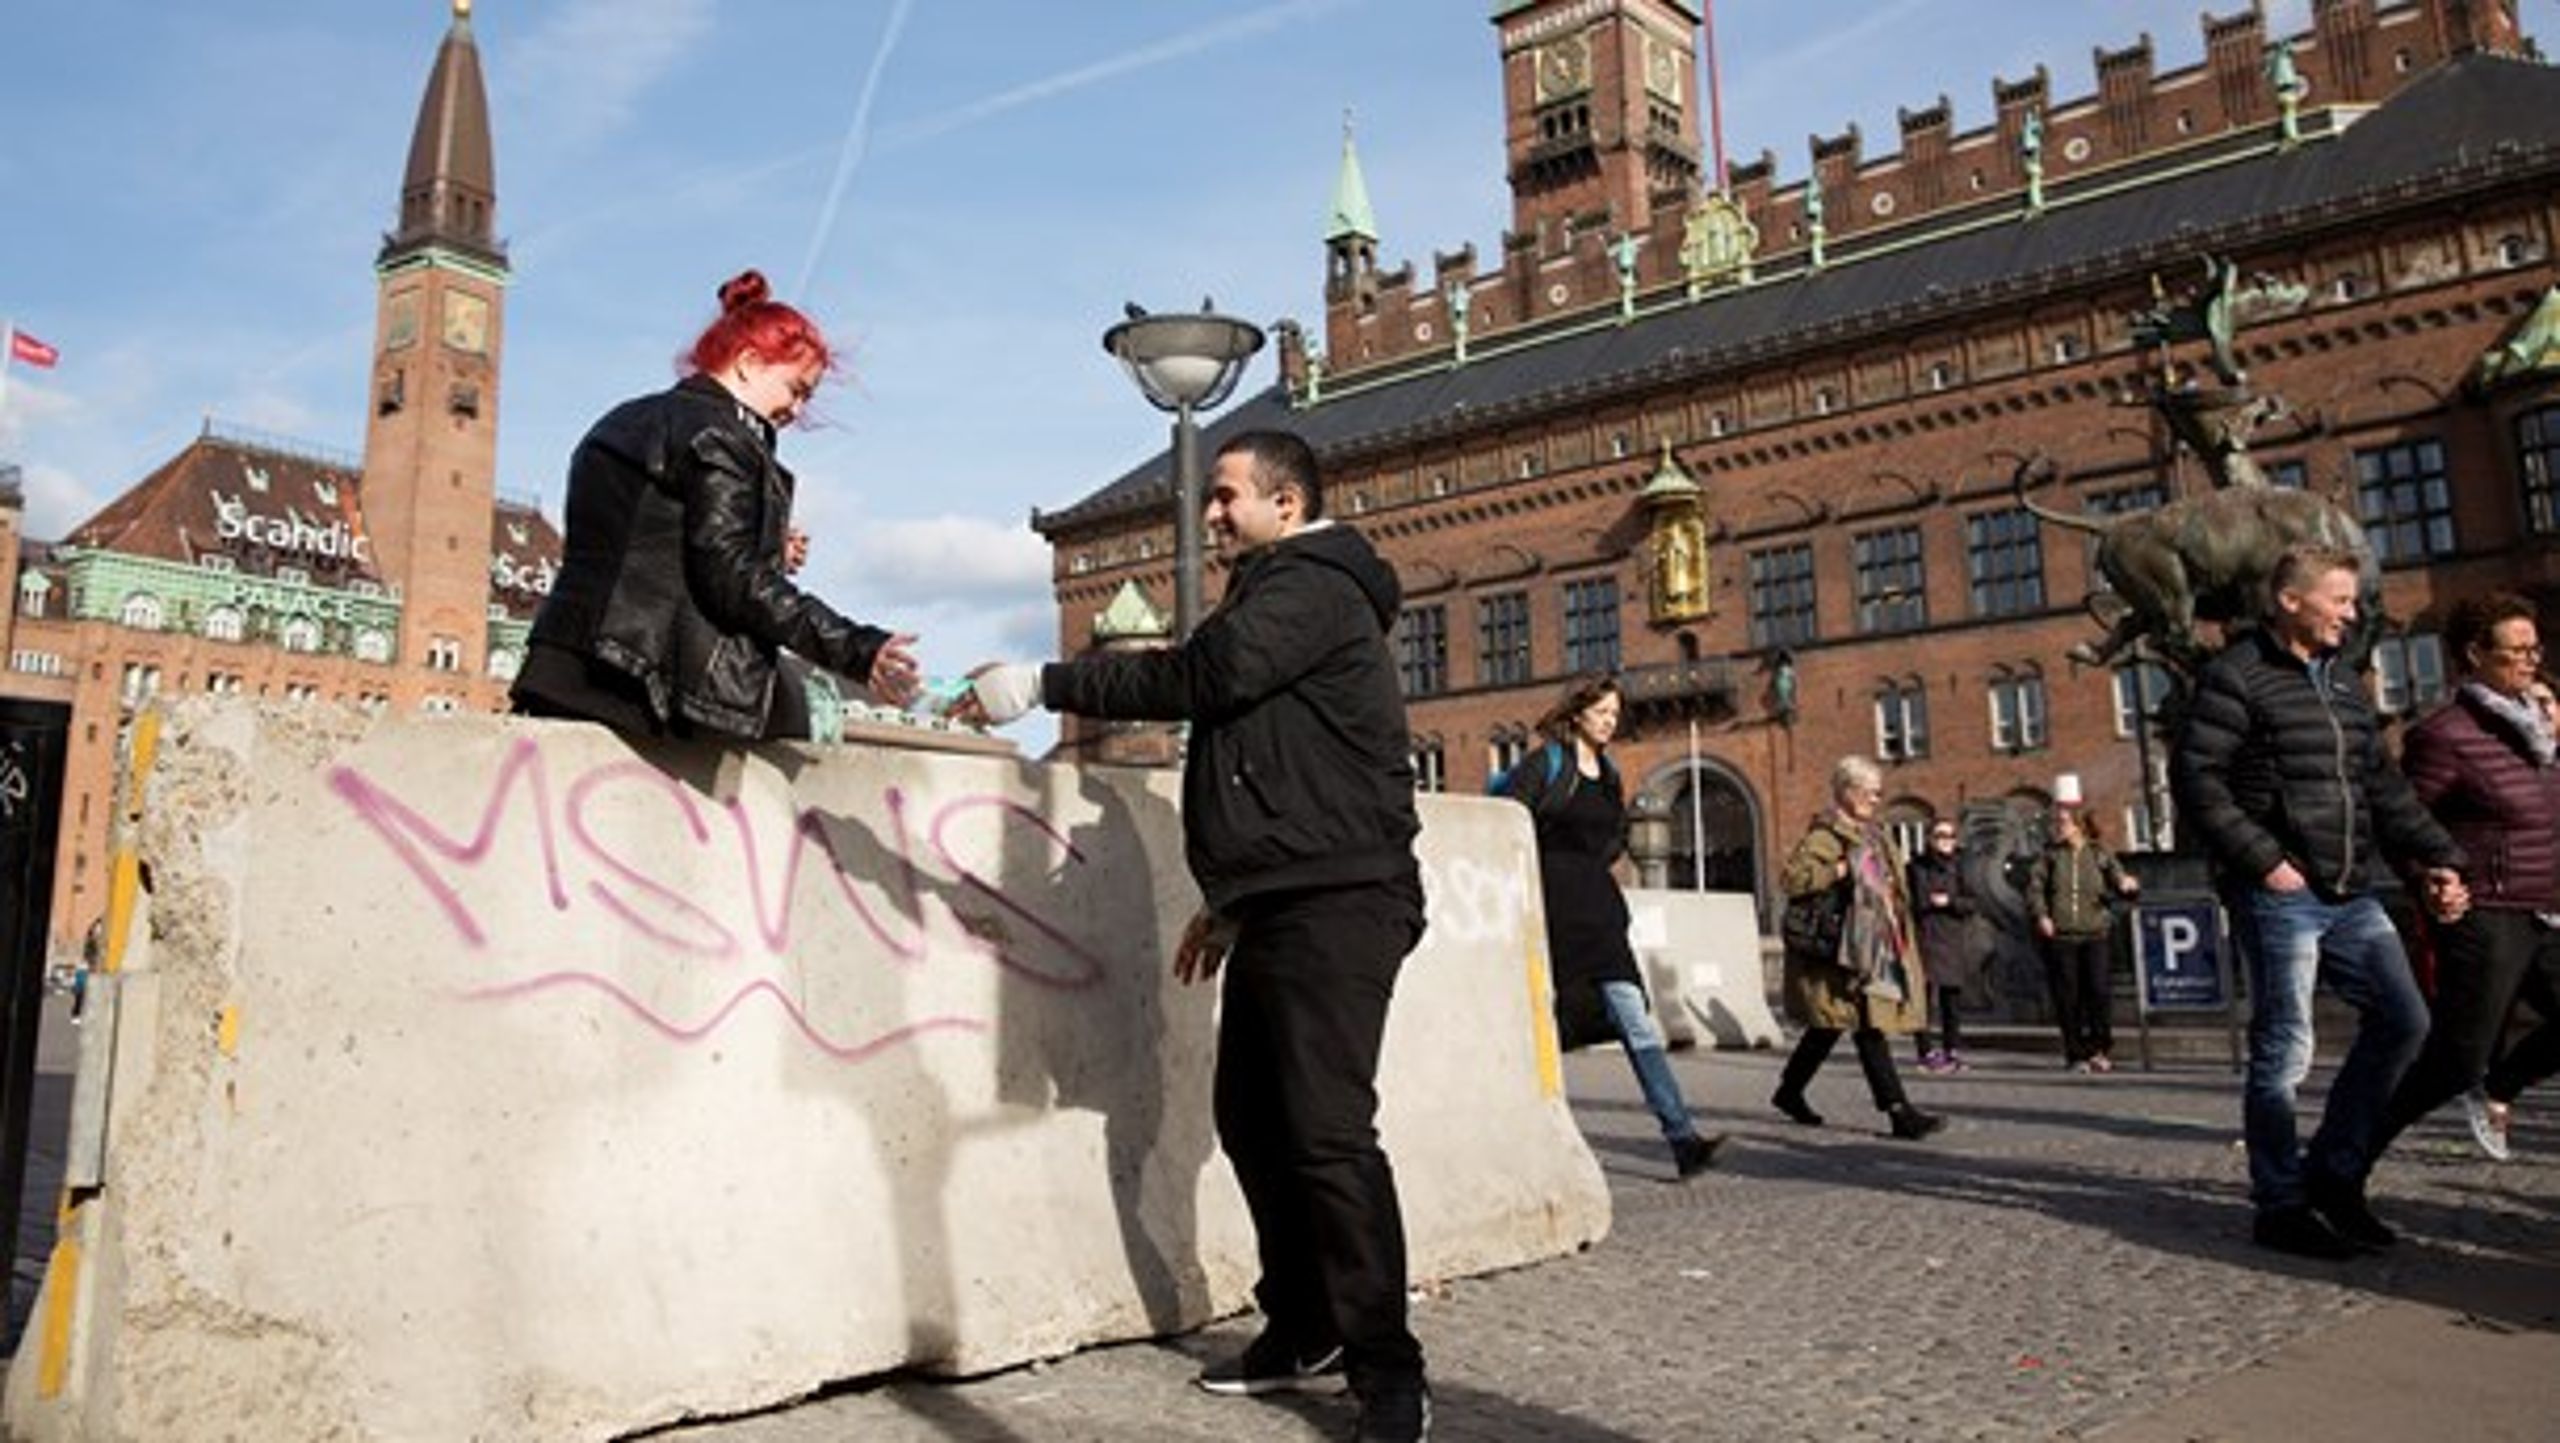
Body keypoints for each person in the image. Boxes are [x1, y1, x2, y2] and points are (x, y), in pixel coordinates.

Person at [956, 430, 1432, 1443]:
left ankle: (1390, 1371)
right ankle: (1305, 1325)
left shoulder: (1310, 585)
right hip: (1285, 896)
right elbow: (1284, 760)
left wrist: (1041, 684)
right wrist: (1230, 901)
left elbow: (1197, 680)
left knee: (1327, 1131)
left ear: (1286, 504)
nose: (1211, 514)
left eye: (1226, 496)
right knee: (1253, 1118)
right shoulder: (1282, 588)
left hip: (1341, 898)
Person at [2171, 544, 2468, 1260]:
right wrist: (2264, 861)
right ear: (2291, 600)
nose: (2351, 613)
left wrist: (2441, 858)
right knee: (2285, 1047)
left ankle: (2335, 1173)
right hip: (2281, 890)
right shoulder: (2235, 675)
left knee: (2405, 1020)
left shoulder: (2342, 683)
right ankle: (2280, 1203)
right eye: (2339, 599)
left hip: (2348, 887)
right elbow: (2197, 778)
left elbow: (2384, 789)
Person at [510, 269, 921, 736]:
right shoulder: (724, 436)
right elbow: (730, 575)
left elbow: (647, 534)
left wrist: (765, 543)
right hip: (636, 685)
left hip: (564, 661)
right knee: (802, 713)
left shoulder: (624, 419)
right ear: (748, 362)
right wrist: (856, 649)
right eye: (797, 390)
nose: (797, 410)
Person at [1501, 674, 1723, 1179]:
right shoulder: (1546, 764)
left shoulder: (1609, 771)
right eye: (1602, 712)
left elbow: (1615, 835)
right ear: (1577, 712)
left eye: (1615, 714)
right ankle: (1530, 1140)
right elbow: (1507, 819)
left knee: (1635, 1020)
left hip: (1600, 914)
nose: (1609, 722)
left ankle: (1682, 1138)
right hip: (1553, 914)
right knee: (1546, 1029)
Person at [2369, 594, 2560, 1168]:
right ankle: (2348, 1155)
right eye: (2517, 650)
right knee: (2454, 1061)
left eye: (2535, 649)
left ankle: (2500, 1085)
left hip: (2546, 905)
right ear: (2476, 654)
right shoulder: (2444, 735)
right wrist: (2427, 876)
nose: (2531, 660)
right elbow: (2402, 822)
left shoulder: (2540, 730)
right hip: (2488, 912)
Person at [1771, 756, 1946, 1141]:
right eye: (1870, 792)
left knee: (1830, 1026)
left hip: (1872, 944)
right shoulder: (1825, 836)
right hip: (1840, 951)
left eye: (1878, 793)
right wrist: (1838, 870)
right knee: (1867, 1025)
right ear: (1848, 792)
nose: (1876, 799)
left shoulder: (1875, 835)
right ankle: (1899, 1112)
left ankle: (1789, 1091)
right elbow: (1792, 880)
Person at [2026, 806, 2139, 1073]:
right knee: (2068, 997)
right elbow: (2035, 888)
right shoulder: (2050, 856)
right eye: (2057, 822)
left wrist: (2127, 884)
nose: (2059, 827)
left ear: (2079, 826)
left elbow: (2119, 880)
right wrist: (2042, 915)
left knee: (2098, 992)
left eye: (2064, 822)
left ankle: (2100, 1048)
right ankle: (2075, 1053)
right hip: (2062, 935)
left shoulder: (2099, 853)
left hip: (2095, 933)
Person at [1906, 816, 1978, 1074]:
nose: (1945, 841)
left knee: (1951, 1000)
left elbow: (1972, 902)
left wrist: (1950, 902)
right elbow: (1910, 900)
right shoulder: (1916, 866)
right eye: (1940, 836)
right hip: (1923, 937)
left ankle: (1952, 1050)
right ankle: (1925, 1051)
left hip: (1951, 937)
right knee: (1922, 1000)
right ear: (1929, 838)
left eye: (1950, 836)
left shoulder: (1961, 866)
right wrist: (1929, 901)